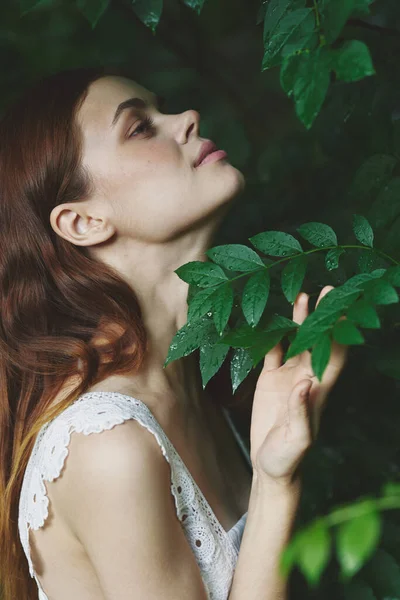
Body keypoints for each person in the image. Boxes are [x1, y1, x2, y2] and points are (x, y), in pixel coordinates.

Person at [0, 65, 347, 600]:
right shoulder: (108, 445)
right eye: (139, 127)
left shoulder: (197, 385)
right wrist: (277, 486)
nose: (187, 118)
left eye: (161, 111)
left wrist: (275, 473)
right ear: (82, 222)